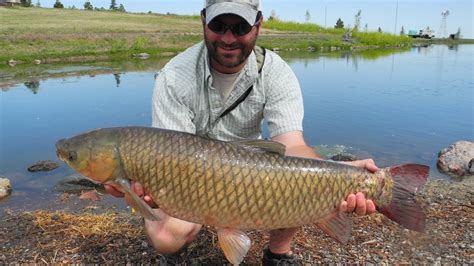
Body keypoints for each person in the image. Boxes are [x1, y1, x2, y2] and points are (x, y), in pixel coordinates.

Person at [106, 0, 378, 264]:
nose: (227, 38)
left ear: (258, 25)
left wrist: (344, 174)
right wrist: (137, 187)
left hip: (254, 167)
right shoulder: (174, 75)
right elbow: (168, 155)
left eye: (240, 28)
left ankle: (278, 251)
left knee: (293, 183)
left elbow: (293, 146)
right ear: (203, 21)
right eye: (218, 25)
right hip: (195, 175)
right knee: (166, 238)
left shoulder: (277, 73)